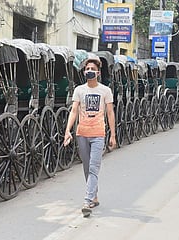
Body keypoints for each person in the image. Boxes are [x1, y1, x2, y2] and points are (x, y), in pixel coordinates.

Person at [63, 57, 116, 217]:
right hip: (82, 133)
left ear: (98, 73)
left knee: (93, 167)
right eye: (87, 69)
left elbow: (110, 113)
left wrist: (113, 135)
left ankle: (87, 200)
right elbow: (73, 111)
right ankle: (94, 195)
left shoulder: (105, 91)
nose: (89, 71)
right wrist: (67, 131)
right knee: (87, 168)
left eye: (92, 69)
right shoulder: (79, 90)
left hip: (98, 133)